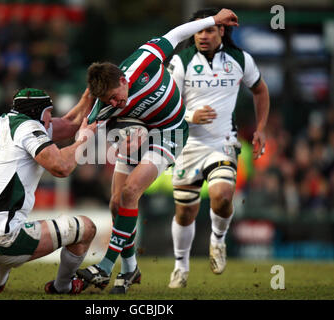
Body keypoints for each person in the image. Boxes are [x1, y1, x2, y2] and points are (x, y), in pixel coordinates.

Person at [76, 8, 240, 294]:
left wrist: (214, 20)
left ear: (124, 80)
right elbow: (86, 133)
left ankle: (105, 267)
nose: (114, 103)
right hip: (136, 134)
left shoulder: (144, 61)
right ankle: (130, 270)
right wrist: (95, 141)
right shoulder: (105, 105)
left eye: (115, 97)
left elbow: (177, 34)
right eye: (107, 101)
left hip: (169, 132)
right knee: (116, 204)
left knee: (130, 193)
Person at [166, 8, 270, 288]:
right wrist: (189, 116)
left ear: (221, 31)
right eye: (198, 30)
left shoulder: (240, 59)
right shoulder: (180, 61)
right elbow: (168, 104)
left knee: (222, 196)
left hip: (222, 143)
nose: (202, 35)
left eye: (208, 29)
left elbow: (260, 90)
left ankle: (218, 240)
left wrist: (260, 128)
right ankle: (180, 266)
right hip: (188, 145)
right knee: (185, 212)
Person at [0, 87, 98, 294]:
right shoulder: (29, 128)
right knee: (85, 229)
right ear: (37, 113)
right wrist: (84, 140)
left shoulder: (10, 121)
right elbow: (62, 168)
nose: (51, 118)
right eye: (49, 112)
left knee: (12, 221)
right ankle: (62, 286)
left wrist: (90, 93)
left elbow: (70, 123)